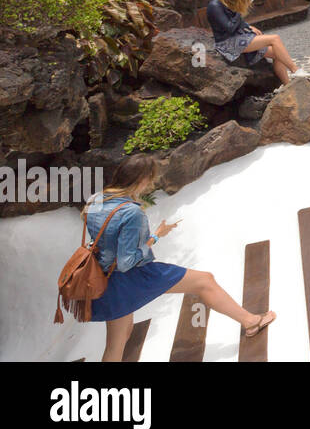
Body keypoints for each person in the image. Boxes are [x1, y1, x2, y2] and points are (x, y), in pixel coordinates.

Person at [82, 155, 275, 361]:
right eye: (149, 180)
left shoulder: (96, 200)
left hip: (107, 280)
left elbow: (103, 238)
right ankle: (250, 322)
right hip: (132, 277)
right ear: (142, 180)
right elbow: (127, 262)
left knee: (117, 342)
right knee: (205, 281)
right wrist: (156, 236)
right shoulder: (132, 213)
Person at [207, 0, 307, 85]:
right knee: (275, 39)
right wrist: (239, 10)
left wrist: (247, 26)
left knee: (278, 54)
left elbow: (235, 23)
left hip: (237, 37)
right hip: (227, 43)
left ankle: (286, 85)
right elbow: (230, 28)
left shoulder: (228, 0)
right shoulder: (214, 6)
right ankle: (295, 70)